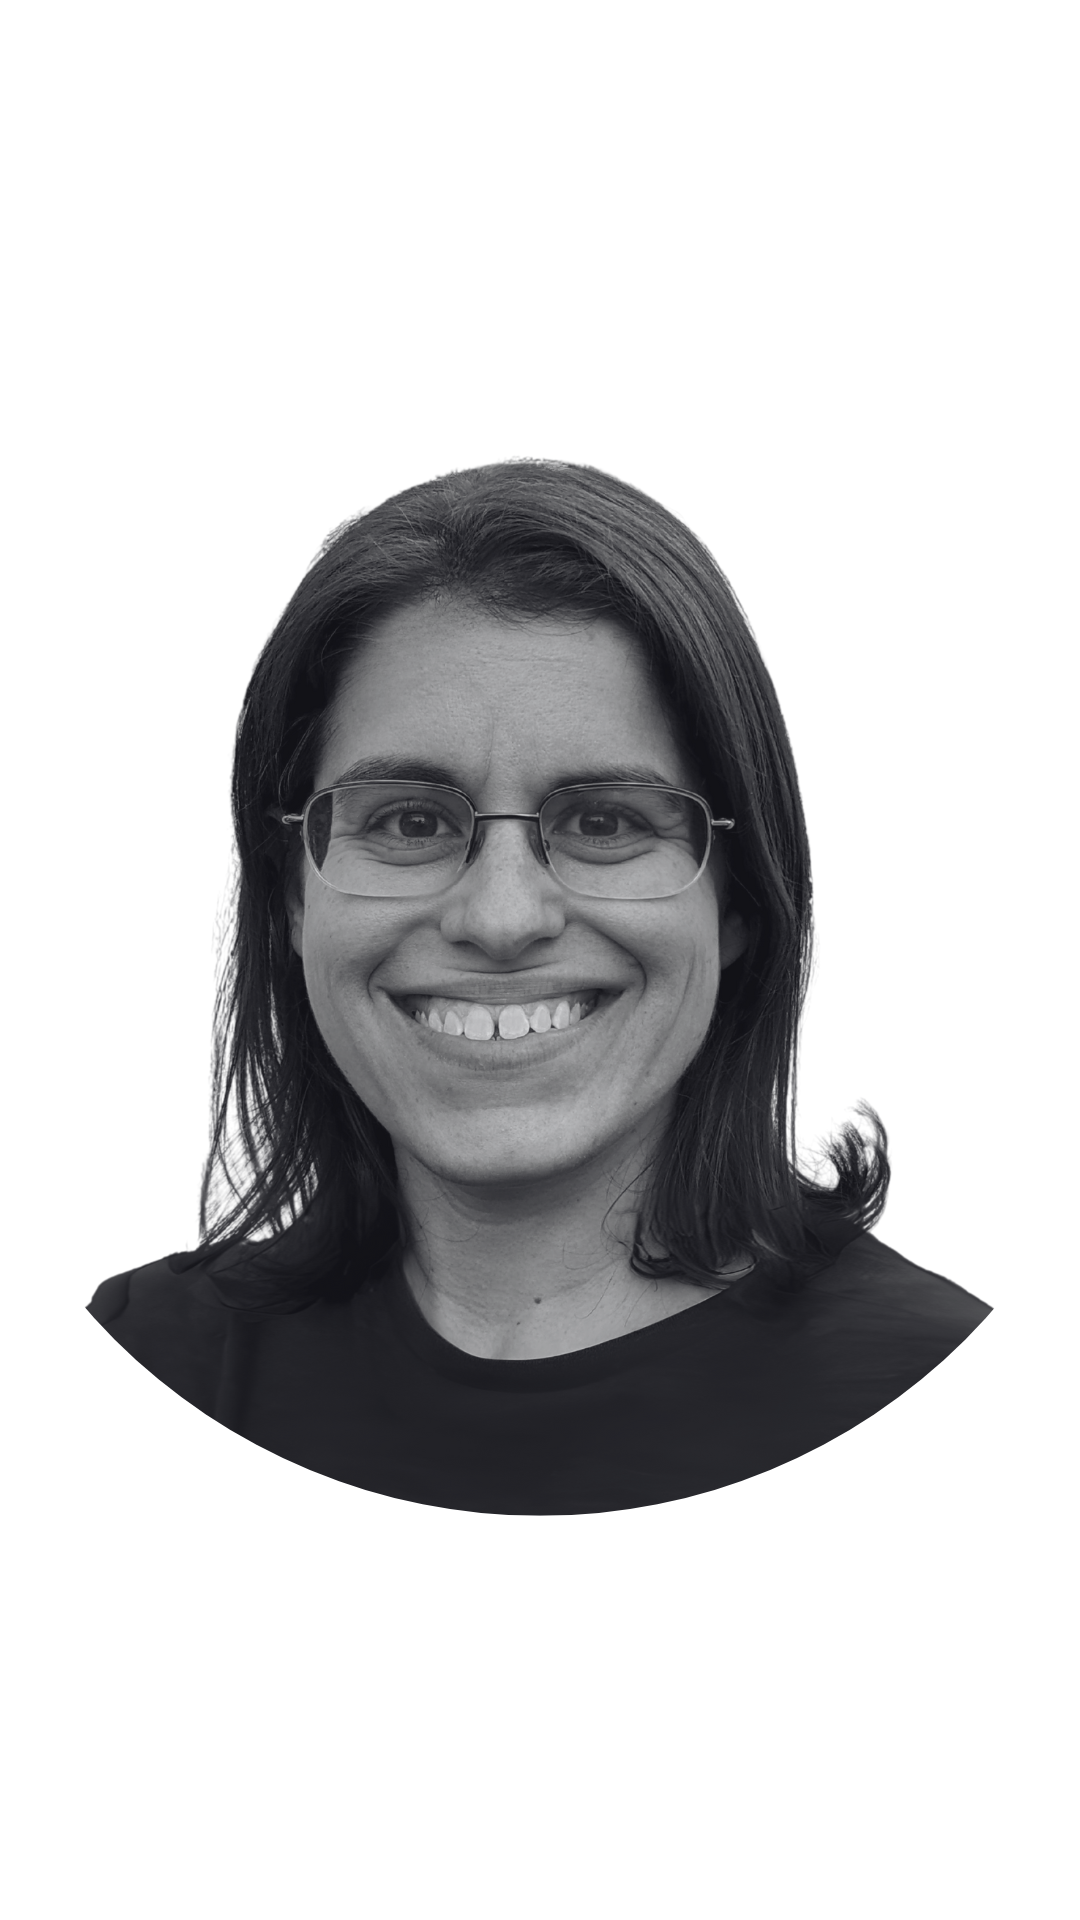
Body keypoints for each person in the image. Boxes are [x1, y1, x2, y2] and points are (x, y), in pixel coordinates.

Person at [87, 459, 990, 1515]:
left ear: (739, 903)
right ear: (292, 896)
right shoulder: (143, 1364)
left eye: (604, 822)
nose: (501, 917)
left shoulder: (956, 1404)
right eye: (410, 822)